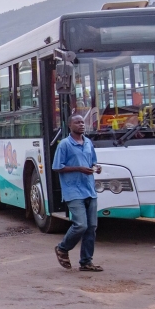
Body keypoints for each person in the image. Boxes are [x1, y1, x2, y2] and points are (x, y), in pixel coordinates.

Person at [53, 115, 103, 272]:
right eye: (77, 122)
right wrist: (79, 169)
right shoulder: (65, 144)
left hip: (89, 189)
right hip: (73, 190)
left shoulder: (88, 142)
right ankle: (62, 248)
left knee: (91, 227)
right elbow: (57, 167)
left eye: (82, 122)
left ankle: (86, 262)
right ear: (70, 125)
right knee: (81, 225)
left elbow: (93, 161)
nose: (81, 124)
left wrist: (96, 167)